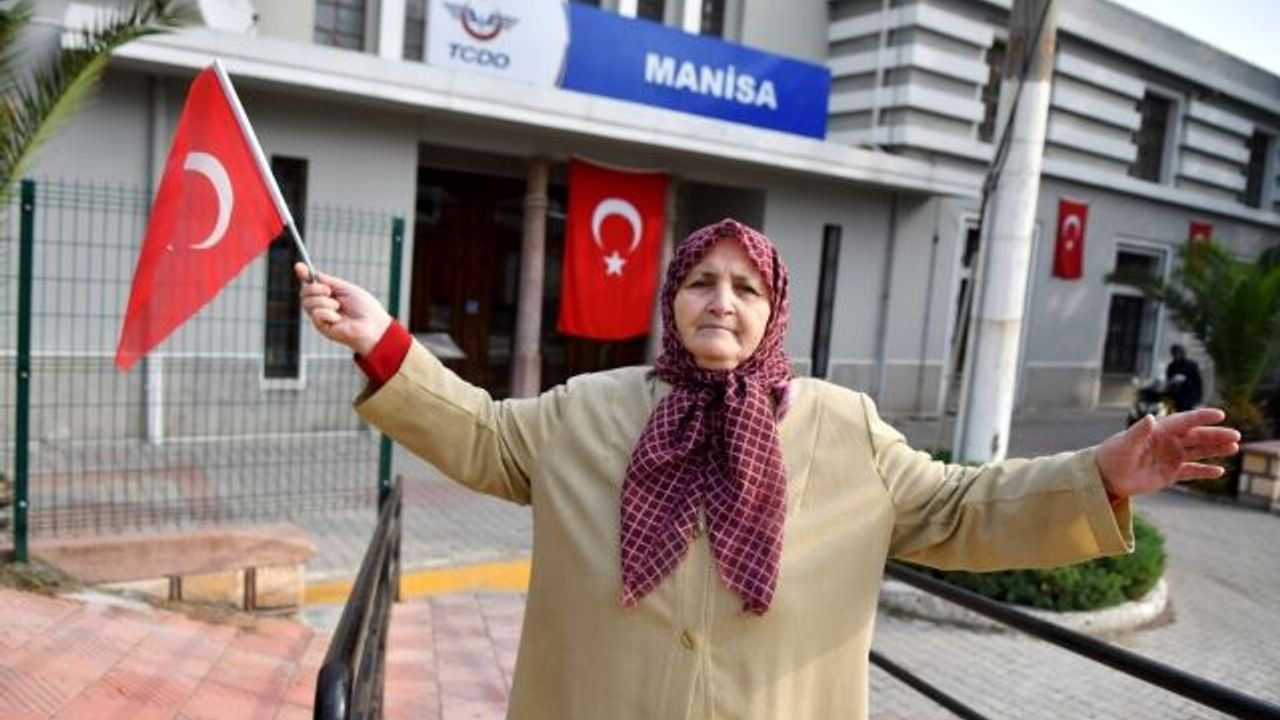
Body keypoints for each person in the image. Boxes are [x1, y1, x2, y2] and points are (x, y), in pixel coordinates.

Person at [297, 219, 1239, 720]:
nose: (722, 301)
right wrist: (383, 340)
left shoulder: (844, 427)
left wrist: (1099, 474)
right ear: (673, 302)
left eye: (745, 286)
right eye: (701, 282)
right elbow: (483, 435)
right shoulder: (589, 409)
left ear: (774, 309)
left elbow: (959, 507)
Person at [1166, 343, 1204, 412]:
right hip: (1177, 396)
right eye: (1174, 353)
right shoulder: (1171, 366)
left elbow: (1198, 382)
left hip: (1190, 395)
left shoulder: (1191, 365)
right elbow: (1169, 380)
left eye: (1178, 353)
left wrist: (1199, 398)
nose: (1176, 355)